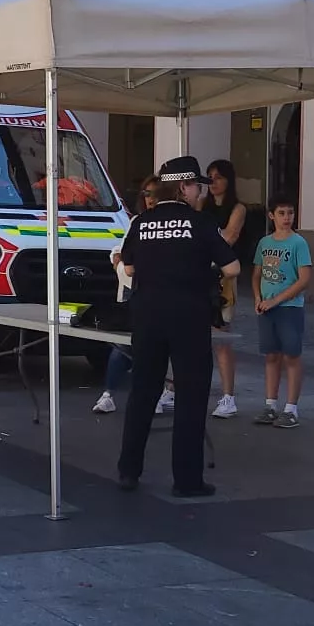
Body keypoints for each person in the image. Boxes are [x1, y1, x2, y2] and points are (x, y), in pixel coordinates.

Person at [115, 156, 239, 497]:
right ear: (183, 187)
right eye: (198, 185)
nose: (202, 190)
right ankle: (187, 480)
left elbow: (127, 268)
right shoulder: (199, 224)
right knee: (191, 395)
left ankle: (129, 470)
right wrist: (203, 269)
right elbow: (233, 268)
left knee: (142, 392)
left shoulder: (143, 221)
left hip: (147, 315)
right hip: (188, 316)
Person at [94, 175, 157, 415]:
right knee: (123, 345)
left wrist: (122, 263)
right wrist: (119, 262)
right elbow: (120, 253)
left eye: (154, 193)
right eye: (146, 194)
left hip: (153, 293)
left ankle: (160, 393)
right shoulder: (137, 221)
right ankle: (108, 393)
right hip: (132, 291)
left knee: (152, 348)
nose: (149, 199)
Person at [252, 198, 313, 429]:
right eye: (281, 213)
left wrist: (278, 299)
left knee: (292, 355)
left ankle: (291, 408)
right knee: (271, 355)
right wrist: (258, 297)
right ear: (271, 216)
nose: (286, 218)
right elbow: (257, 273)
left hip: (289, 308)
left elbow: (304, 278)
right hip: (267, 308)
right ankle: (270, 404)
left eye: (290, 213)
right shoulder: (264, 243)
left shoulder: (299, 243)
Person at [198, 159, 248, 419]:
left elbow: (230, 236)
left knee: (222, 334)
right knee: (189, 332)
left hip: (223, 277)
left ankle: (228, 397)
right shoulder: (200, 206)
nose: (213, 182)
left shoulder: (237, 208)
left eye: (218, 177)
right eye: (210, 177)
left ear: (229, 180)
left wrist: (203, 239)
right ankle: (172, 389)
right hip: (199, 272)